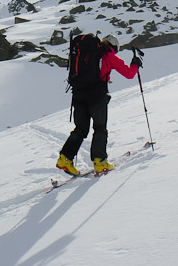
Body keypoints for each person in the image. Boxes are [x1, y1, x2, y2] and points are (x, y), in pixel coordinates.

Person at [56, 34, 142, 176]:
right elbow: (129, 74)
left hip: (78, 95)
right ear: (114, 46)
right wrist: (135, 64)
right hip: (97, 96)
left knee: (81, 129)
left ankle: (65, 159)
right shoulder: (109, 56)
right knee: (100, 128)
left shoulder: (84, 53)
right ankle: (100, 161)